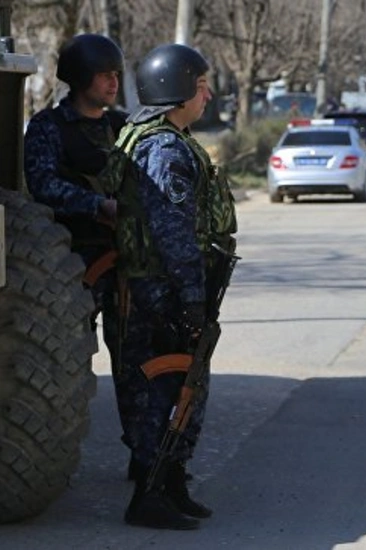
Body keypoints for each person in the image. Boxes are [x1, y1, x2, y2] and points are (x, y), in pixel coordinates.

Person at [113, 43, 237, 530]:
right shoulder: (163, 148)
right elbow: (173, 232)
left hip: (165, 285)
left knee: (185, 387)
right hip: (160, 289)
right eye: (201, 86)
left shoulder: (165, 138)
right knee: (165, 392)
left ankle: (172, 482)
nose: (207, 96)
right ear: (177, 91)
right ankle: (149, 492)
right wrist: (190, 300)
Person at [22, 34, 136, 468]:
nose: (112, 83)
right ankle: (51, 456)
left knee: (133, 364)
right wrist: (97, 205)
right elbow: (43, 185)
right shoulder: (49, 127)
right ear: (81, 78)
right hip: (67, 266)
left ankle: (143, 457)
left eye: (115, 75)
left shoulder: (121, 127)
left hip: (122, 264)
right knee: (64, 364)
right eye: (104, 75)